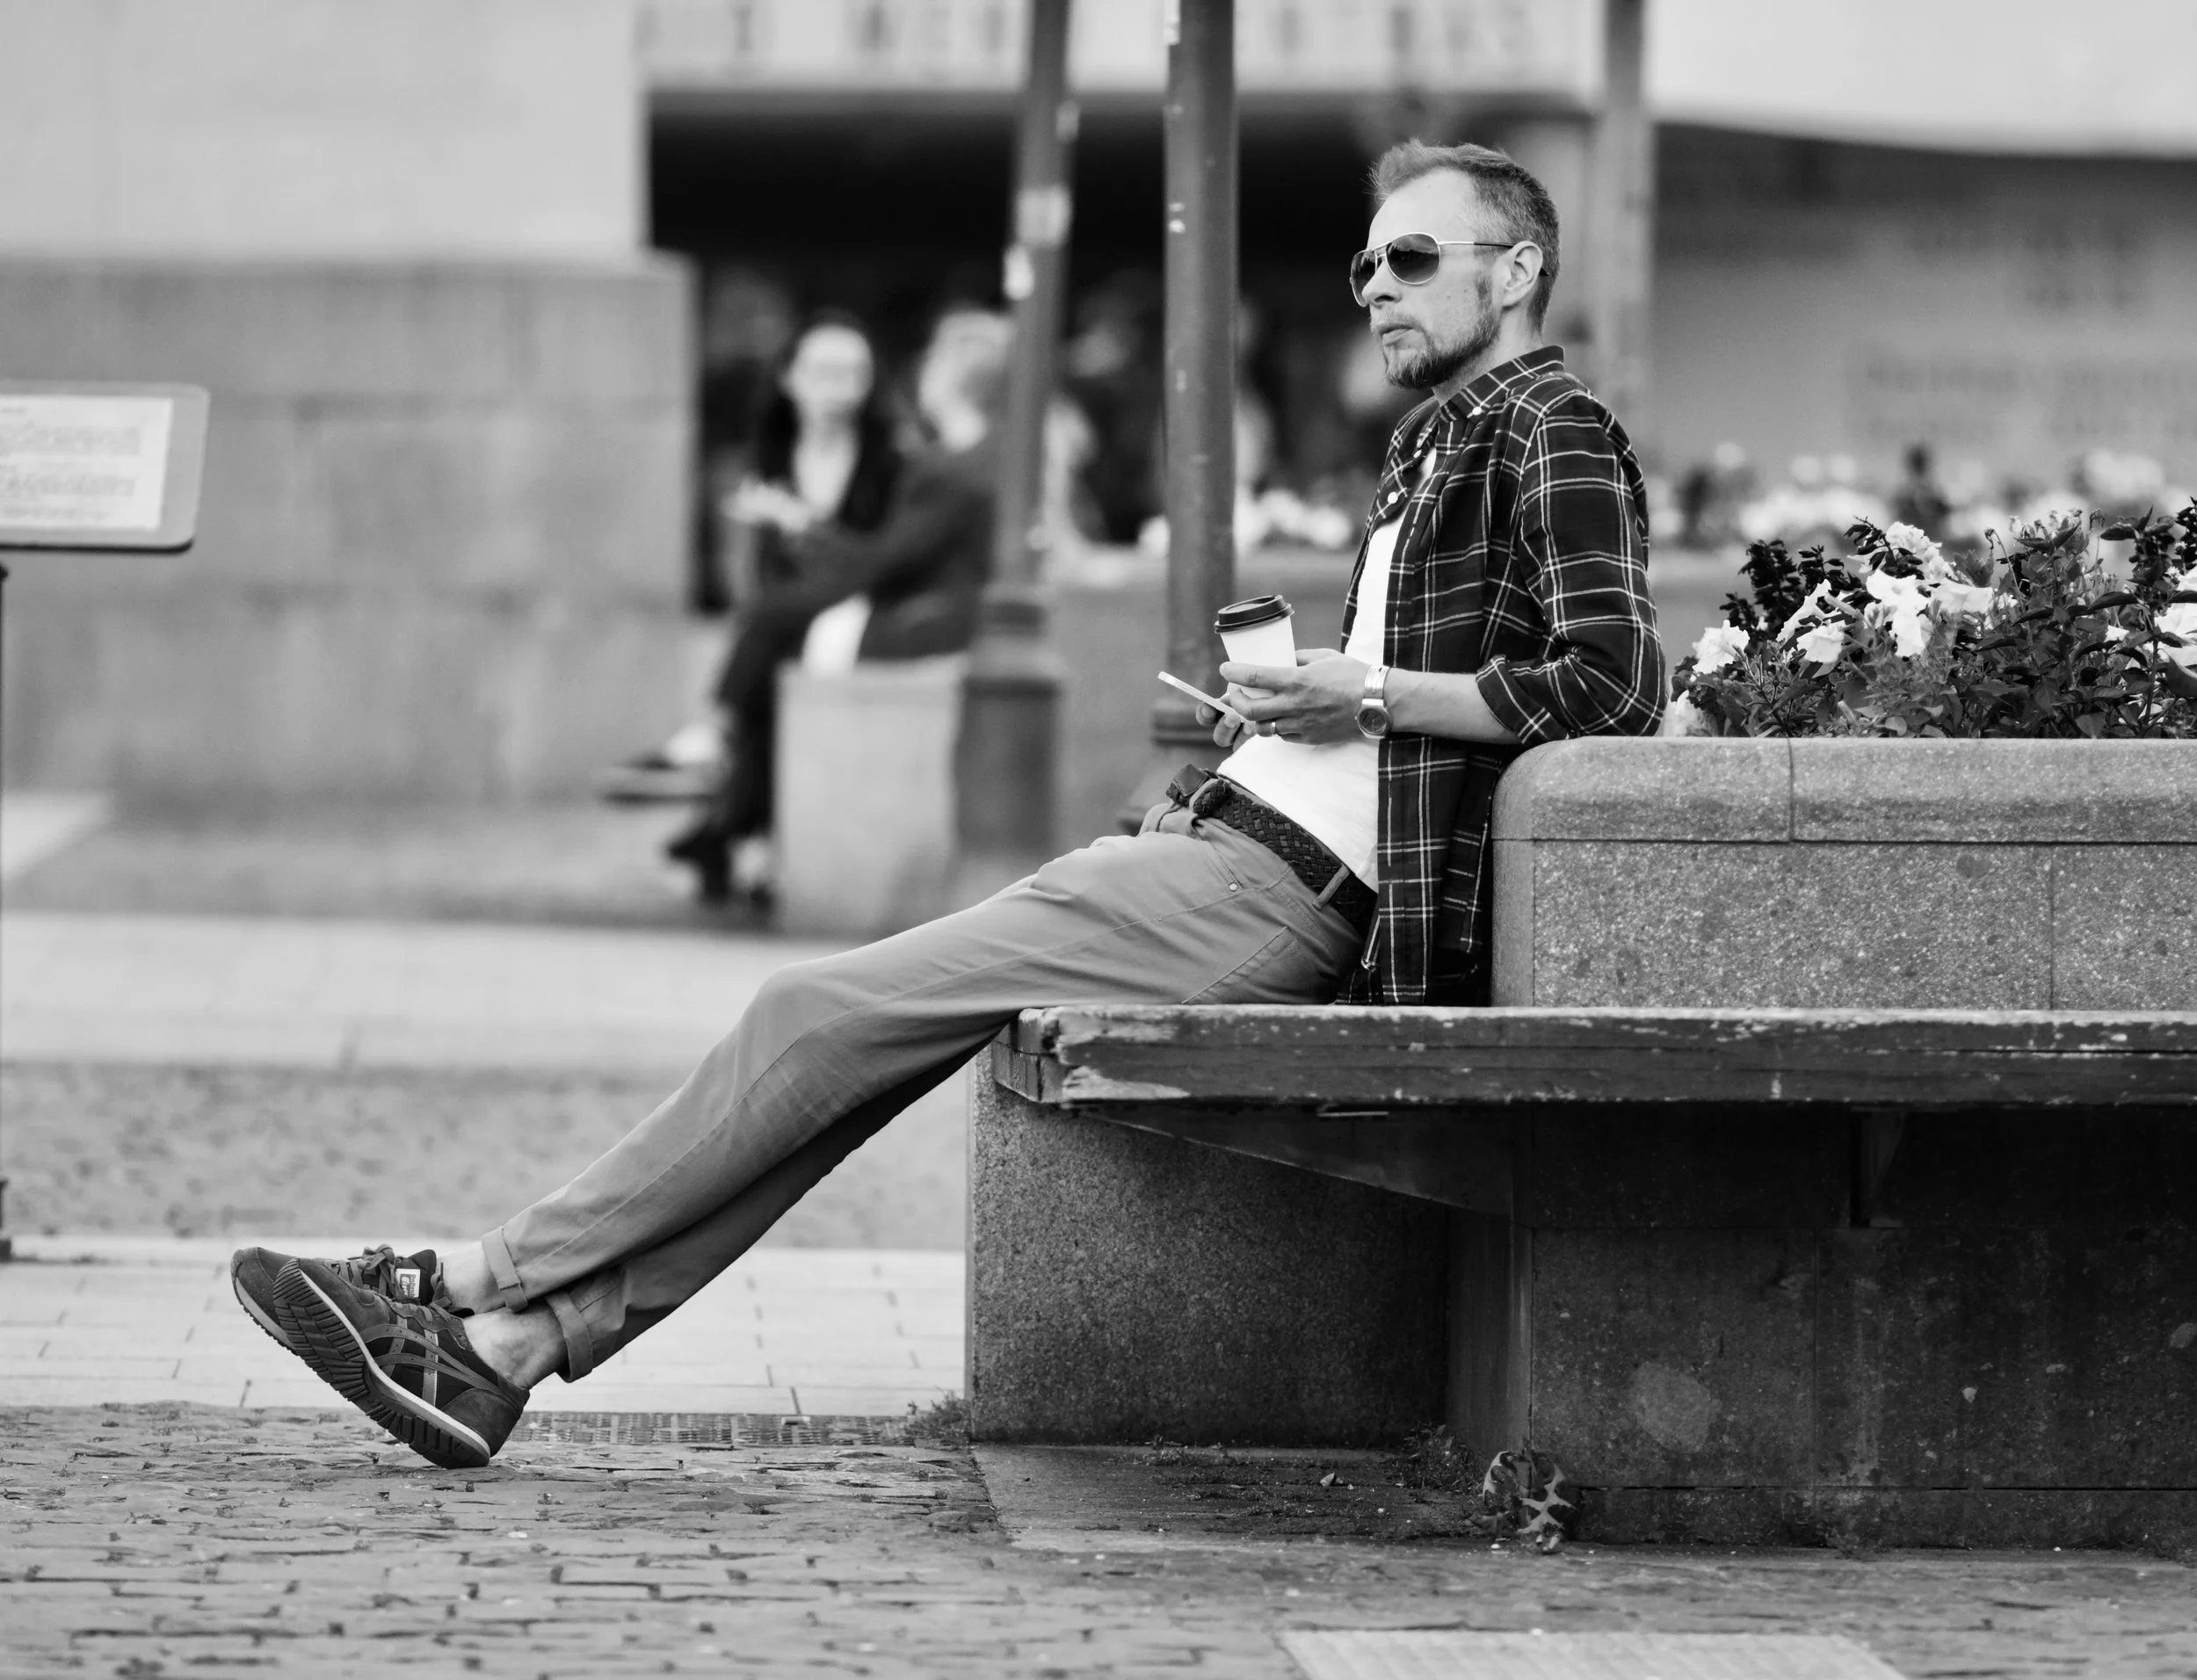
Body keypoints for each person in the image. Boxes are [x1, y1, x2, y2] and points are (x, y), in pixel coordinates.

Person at [225, 141, 1666, 1470]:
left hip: (1283, 892)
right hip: (1217, 850)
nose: (1375, 291)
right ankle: (502, 1353)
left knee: (815, 1013)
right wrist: (1287, 714)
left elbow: (1610, 680)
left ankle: (480, 1280)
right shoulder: (1440, 437)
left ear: (1517, 267)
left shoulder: (1557, 424)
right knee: (851, 1045)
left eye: (1410, 260)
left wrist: (1362, 696)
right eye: (1363, 268)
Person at [665, 310, 1009, 903]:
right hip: (866, 606)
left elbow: (880, 562)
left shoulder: (933, 463)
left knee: (772, 633)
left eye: (852, 371)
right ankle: (733, 821)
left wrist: (801, 524)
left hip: (905, 616)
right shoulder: (775, 447)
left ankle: (725, 787)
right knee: (772, 643)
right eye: (823, 370)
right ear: (789, 378)